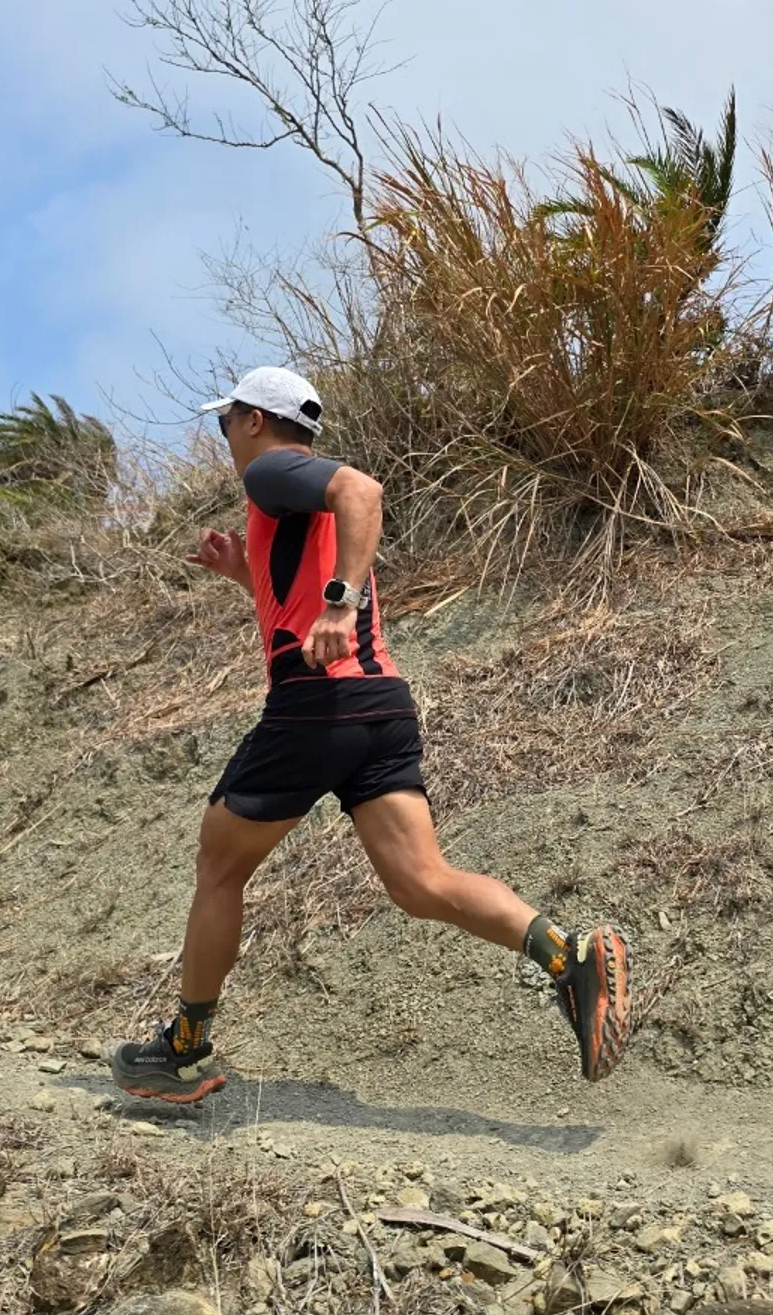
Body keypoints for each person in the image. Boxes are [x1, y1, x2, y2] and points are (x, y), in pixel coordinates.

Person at [109, 367, 632, 1102]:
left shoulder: (271, 473)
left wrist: (341, 604)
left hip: (315, 707)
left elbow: (363, 490)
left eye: (224, 421)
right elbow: (304, 586)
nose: (222, 435)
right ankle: (570, 957)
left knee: (219, 869)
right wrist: (247, 573)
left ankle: (183, 1052)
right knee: (422, 882)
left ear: (256, 420)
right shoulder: (295, 499)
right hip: (379, 705)